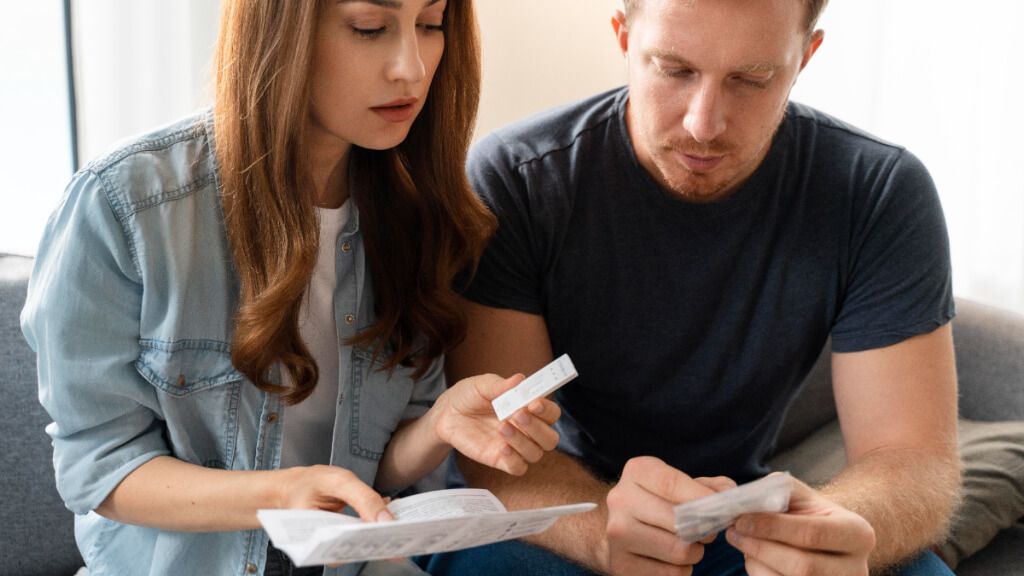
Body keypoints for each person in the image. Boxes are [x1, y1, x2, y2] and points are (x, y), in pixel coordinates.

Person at [418, 0, 961, 575]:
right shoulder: (517, 179)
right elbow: (500, 454)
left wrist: (827, 529)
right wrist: (602, 534)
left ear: (805, 57)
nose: (704, 124)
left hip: (739, 522)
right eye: (674, 70)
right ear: (624, 38)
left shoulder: (878, 193)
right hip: (557, 513)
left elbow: (911, 457)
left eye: (751, 79)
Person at [20, 0, 563, 575]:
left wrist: (438, 425)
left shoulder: (419, 216)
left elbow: (368, 474)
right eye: (370, 28)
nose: (412, 67)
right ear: (280, 29)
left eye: (431, 26)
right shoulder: (127, 206)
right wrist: (280, 495)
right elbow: (99, 469)